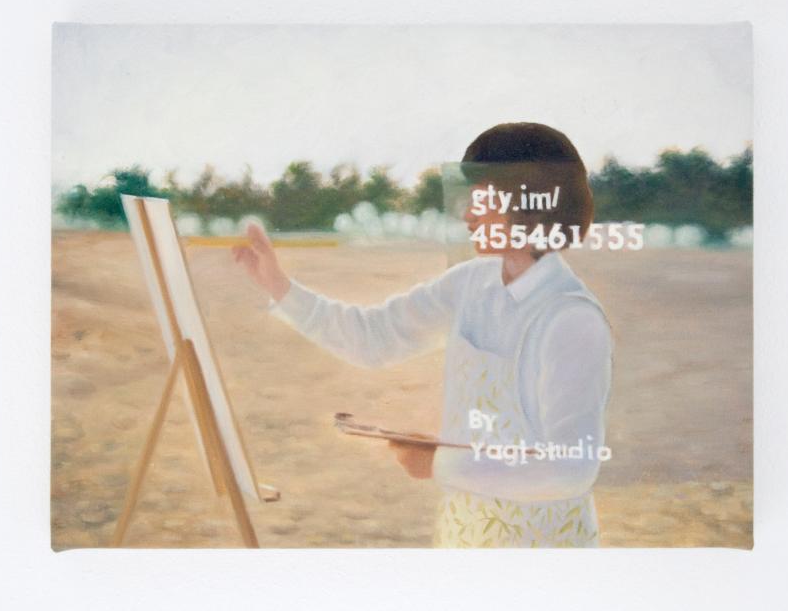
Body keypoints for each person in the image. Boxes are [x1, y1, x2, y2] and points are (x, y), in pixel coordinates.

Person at [233, 122, 613, 547]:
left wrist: (439, 463)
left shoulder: (570, 316)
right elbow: (374, 336)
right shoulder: (469, 283)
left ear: (529, 204)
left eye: (481, 197)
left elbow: (571, 469)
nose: (467, 213)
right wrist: (278, 286)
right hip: (464, 535)